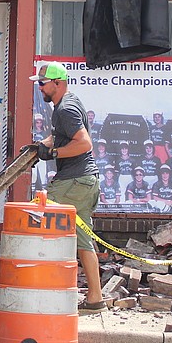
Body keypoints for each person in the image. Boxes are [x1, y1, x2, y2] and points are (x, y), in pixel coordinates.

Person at [29, 62, 104, 313]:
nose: (39, 88)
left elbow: (84, 144)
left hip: (74, 181)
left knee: (31, 218)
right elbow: (61, 135)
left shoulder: (66, 109)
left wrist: (53, 153)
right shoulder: (66, 104)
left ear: (57, 83)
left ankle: (34, 290)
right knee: (83, 242)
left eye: (42, 83)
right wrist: (41, 145)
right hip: (86, 182)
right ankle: (95, 298)